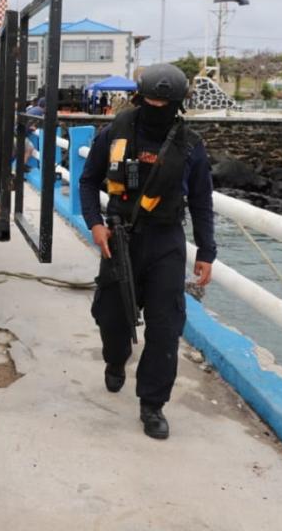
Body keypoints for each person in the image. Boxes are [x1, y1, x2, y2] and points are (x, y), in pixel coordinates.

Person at [78, 63, 216, 440]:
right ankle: (115, 358)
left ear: (178, 104)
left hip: (166, 242)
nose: (157, 107)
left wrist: (206, 251)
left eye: (164, 103)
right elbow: (88, 181)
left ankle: (152, 404)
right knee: (112, 315)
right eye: (150, 101)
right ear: (139, 98)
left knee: (165, 326)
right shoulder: (114, 132)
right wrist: (95, 224)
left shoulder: (191, 146)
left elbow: (202, 201)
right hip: (119, 236)